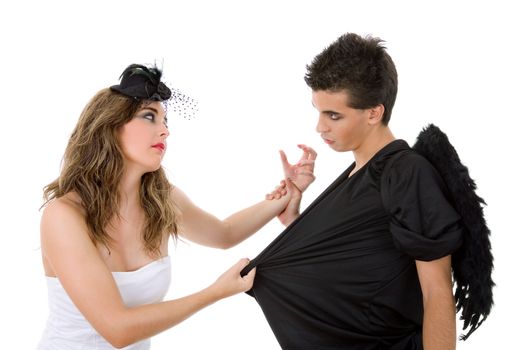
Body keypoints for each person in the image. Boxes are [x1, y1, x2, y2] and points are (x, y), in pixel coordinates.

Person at [36, 63, 316, 349]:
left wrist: (287, 194)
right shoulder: (64, 216)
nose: (165, 132)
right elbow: (117, 329)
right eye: (149, 117)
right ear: (110, 126)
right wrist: (214, 293)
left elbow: (224, 233)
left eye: (165, 121)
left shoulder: (160, 199)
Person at [243, 33, 472, 350]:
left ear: (374, 113)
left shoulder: (406, 173)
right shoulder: (357, 173)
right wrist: (294, 219)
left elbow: (437, 290)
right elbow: (356, 267)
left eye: (333, 115)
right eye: (318, 111)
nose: (320, 127)